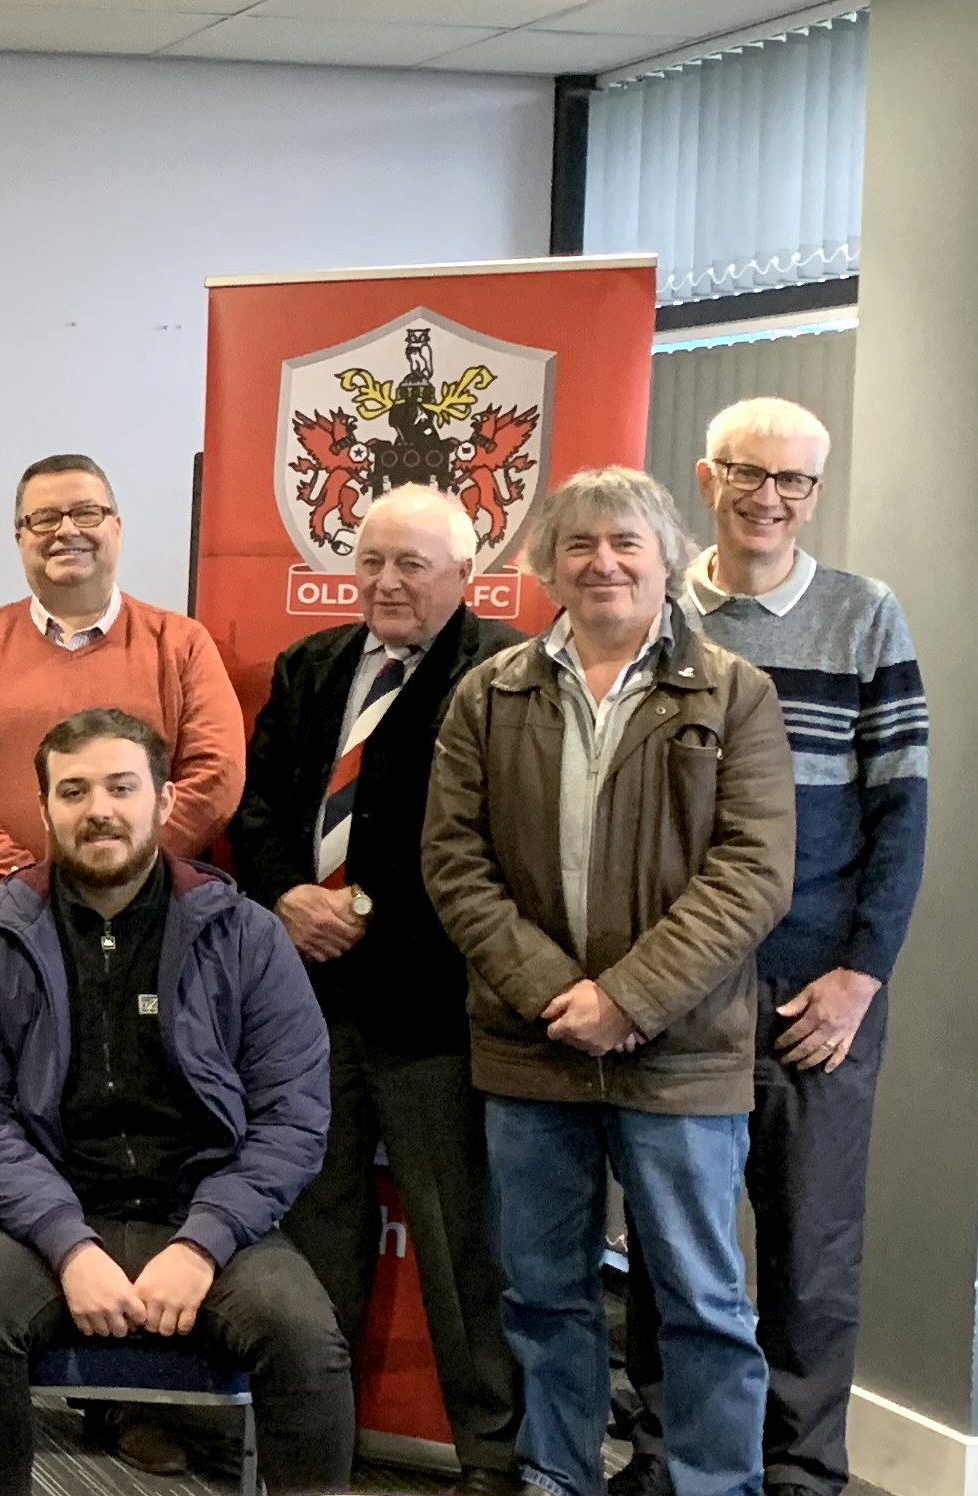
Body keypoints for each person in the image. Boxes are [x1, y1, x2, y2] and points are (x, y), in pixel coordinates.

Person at [422, 466, 795, 1496]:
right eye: (579, 544)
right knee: (542, 1292)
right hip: (528, 1049)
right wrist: (559, 995)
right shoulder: (487, 693)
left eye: (625, 542)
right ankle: (556, 1473)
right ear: (545, 565)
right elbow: (453, 861)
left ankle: (717, 1483)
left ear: (665, 557)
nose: (603, 562)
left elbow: (753, 871)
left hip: (681, 1054)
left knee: (701, 1299)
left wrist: (627, 998)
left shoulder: (734, 690)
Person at [615, 401, 927, 1496]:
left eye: (795, 482)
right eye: (750, 474)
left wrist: (859, 976)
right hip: (680, 985)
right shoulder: (655, 611)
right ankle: (665, 1457)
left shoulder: (862, 615)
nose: (770, 498)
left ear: (812, 493)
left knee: (809, 1254)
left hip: (816, 991)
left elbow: (901, 813)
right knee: (669, 1247)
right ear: (706, 478)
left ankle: (800, 1472)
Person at [0, 707, 350, 1496]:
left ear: (163, 799)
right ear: (44, 808)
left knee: (303, 1336)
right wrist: (67, 1243)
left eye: (121, 787)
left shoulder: (247, 937)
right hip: (38, 1221)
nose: (98, 811)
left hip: (203, 1212)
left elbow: (292, 1119)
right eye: (74, 791)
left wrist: (202, 1243)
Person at [227, 485, 524, 1495]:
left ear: (465, 575)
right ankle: (321, 1441)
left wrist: (351, 913)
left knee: (455, 1237)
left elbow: (487, 839)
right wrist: (281, 893)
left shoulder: (501, 671)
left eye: (413, 564)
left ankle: (489, 1451)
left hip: (430, 1000)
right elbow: (258, 805)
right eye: (371, 561)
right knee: (318, 1227)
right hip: (304, 1002)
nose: (387, 582)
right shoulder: (311, 667)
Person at [0, 453, 244, 937]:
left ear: (117, 527)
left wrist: (114, 874)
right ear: (20, 538)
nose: (66, 530)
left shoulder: (182, 644)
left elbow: (215, 778)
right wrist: (27, 886)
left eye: (86, 513)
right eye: (44, 518)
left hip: (144, 935)